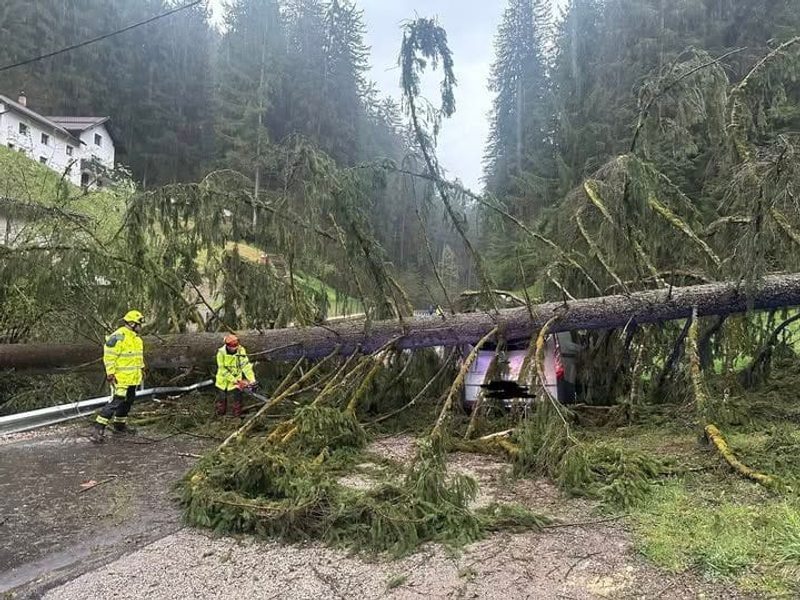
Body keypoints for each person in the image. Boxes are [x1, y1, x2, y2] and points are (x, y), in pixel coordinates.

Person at [91, 310, 145, 443]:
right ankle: (98, 428)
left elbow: (138, 357)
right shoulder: (118, 336)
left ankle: (120, 427)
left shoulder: (137, 339)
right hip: (120, 378)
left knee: (128, 402)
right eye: (139, 323)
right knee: (116, 401)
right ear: (131, 323)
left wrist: (142, 369)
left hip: (133, 377)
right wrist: (110, 372)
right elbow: (109, 356)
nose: (140, 326)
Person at [215, 334, 257, 418]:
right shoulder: (221, 353)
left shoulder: (241, 351)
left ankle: (236, 418)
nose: (236, 348)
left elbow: (245, 366)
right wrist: (234, 380)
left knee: (237, 400)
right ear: (227, 346)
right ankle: (219, 417)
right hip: (223, 381)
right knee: (222, 400)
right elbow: (223, 370)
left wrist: (252, 380)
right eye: (233, 346)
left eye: (236, 345)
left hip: (237, 380)